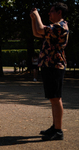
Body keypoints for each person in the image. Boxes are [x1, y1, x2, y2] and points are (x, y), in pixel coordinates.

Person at [30, 2, 69, 141]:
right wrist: (33, 19)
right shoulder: (54, 28)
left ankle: (58, 131)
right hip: (49, 65)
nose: (49, 13)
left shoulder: (60, 26)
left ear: (59, 12)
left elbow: (41, 28)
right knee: (53, 98)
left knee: (56, 98)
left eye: (52, 11)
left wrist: (37, 15)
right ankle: (55, 127)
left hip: (55, 65)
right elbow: (37, 32)